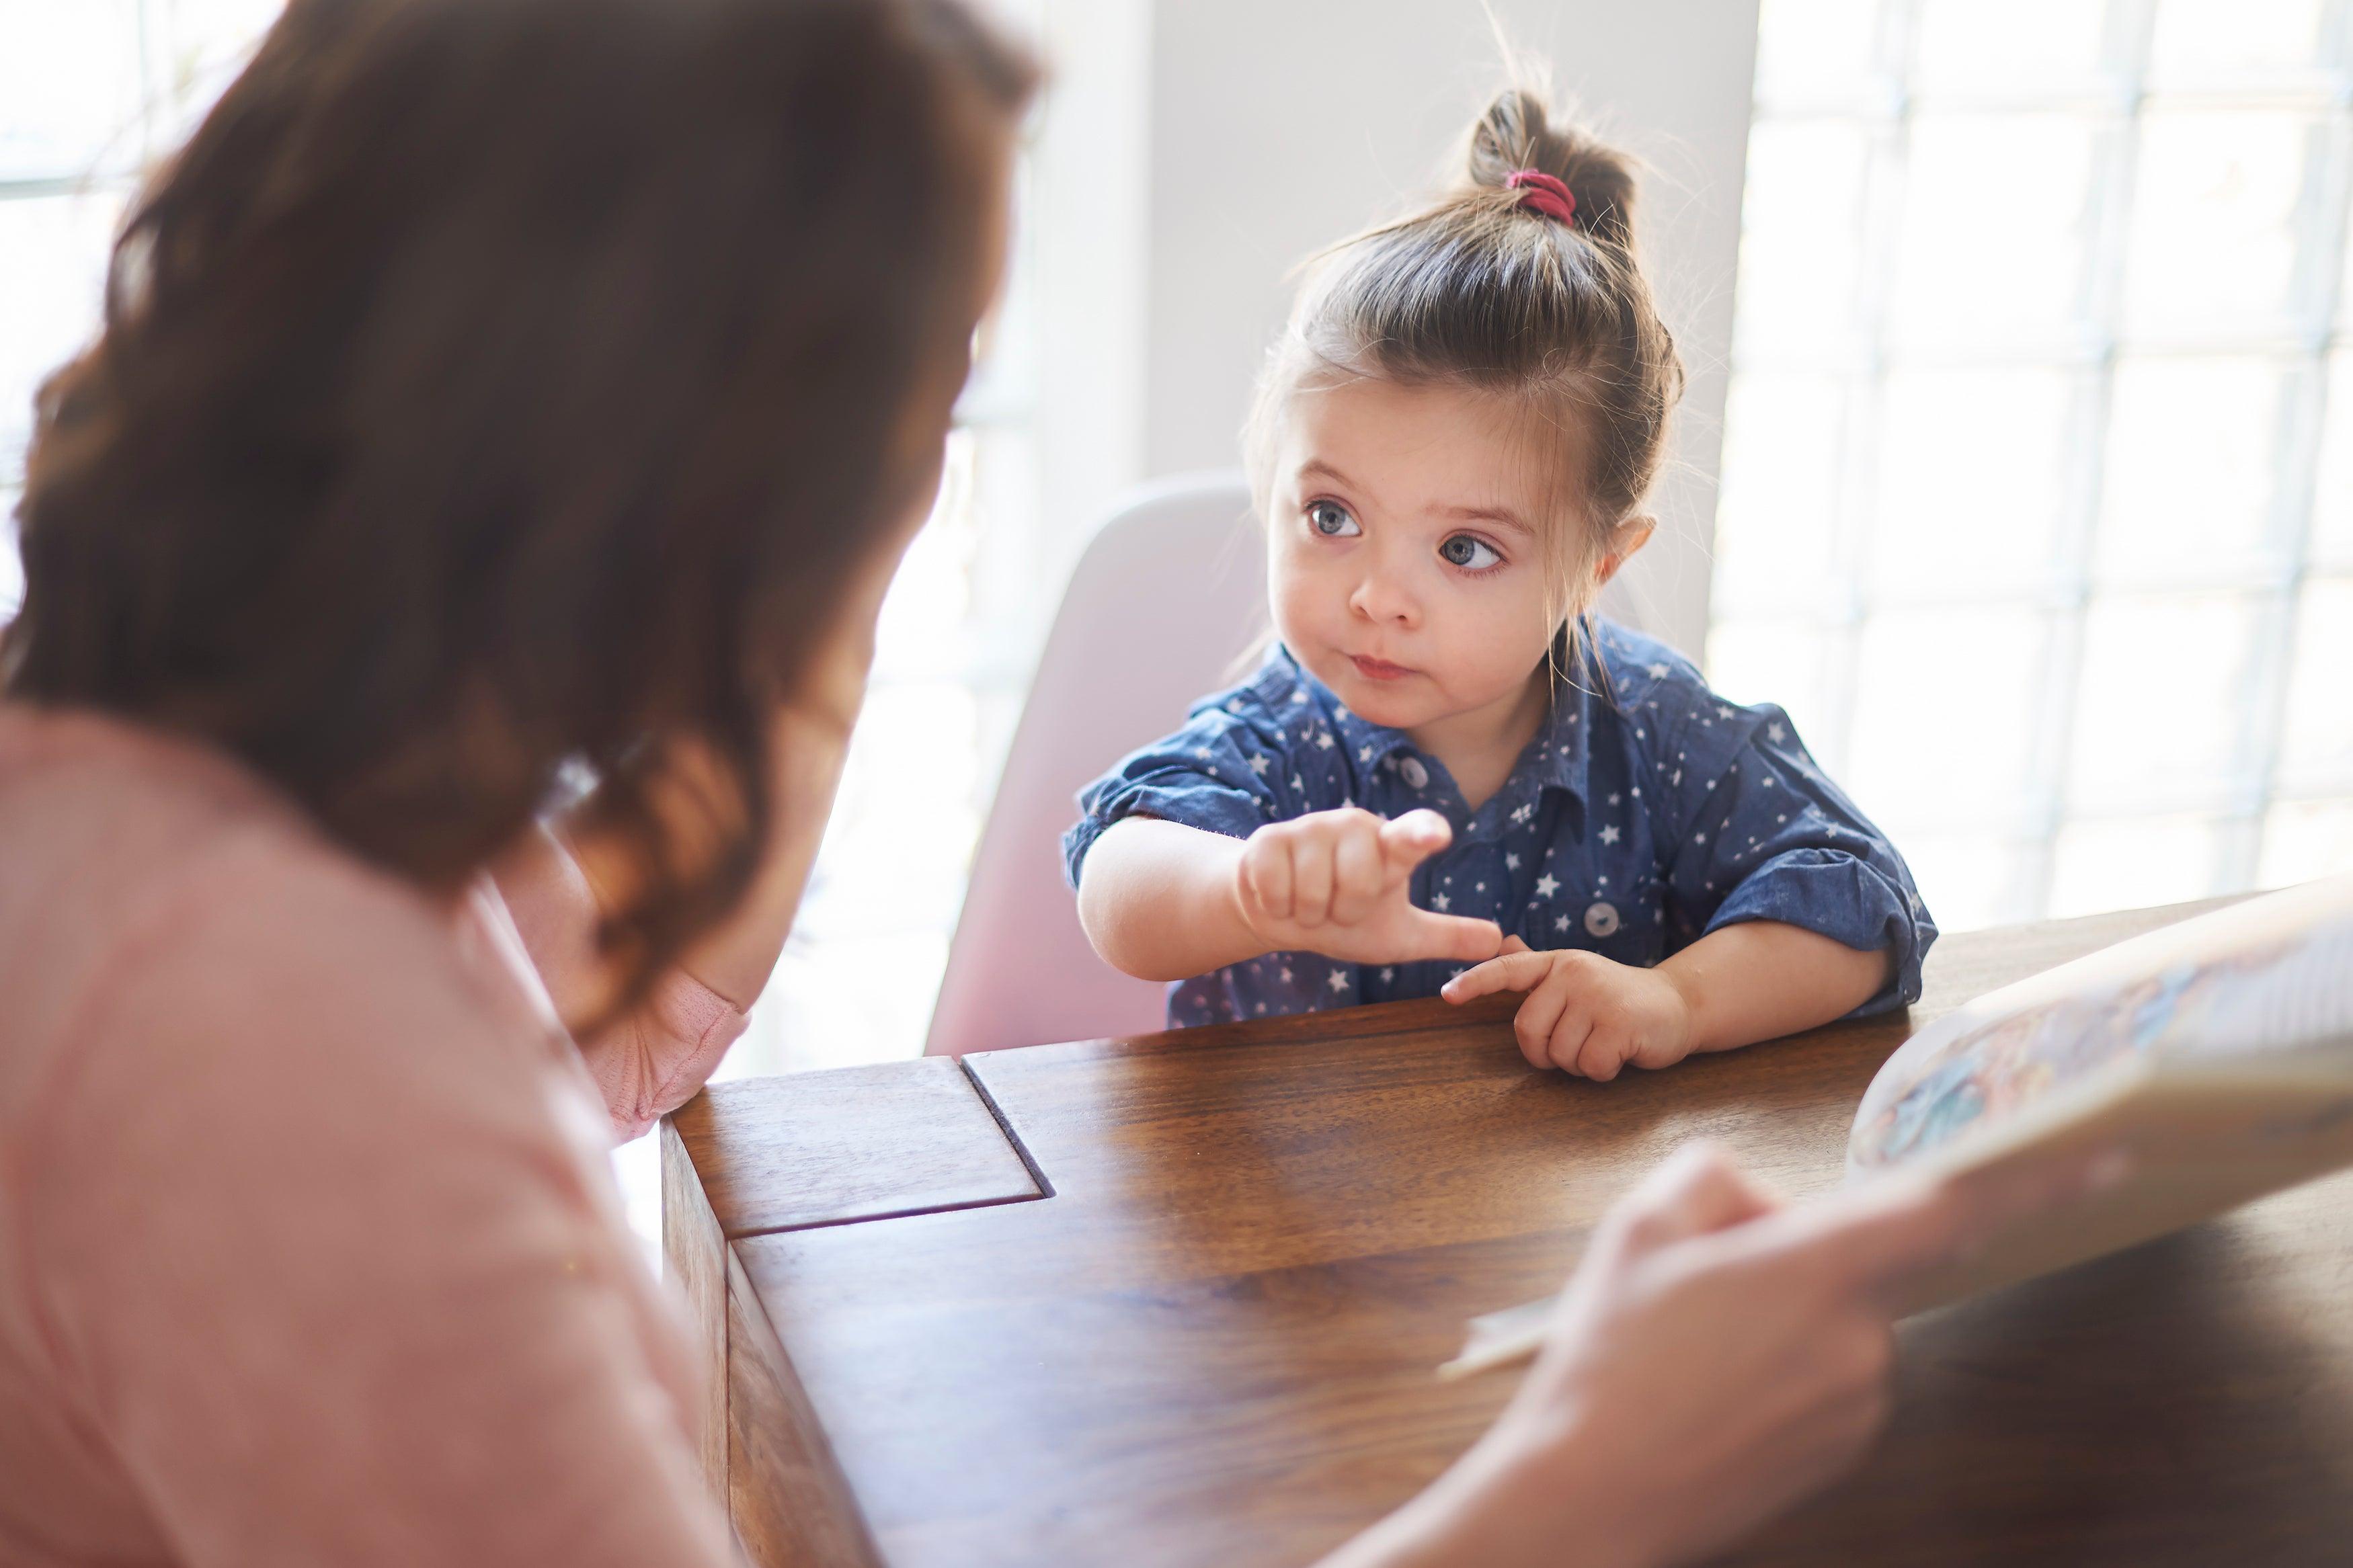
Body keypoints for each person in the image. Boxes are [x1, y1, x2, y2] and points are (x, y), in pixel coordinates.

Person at [0, 5, 2057, 1564]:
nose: (911, 499)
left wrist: (803, 642)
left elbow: (587, 1041)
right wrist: (1580, 1487)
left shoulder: (232, 787)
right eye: (899, 425)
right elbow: (1118, 867)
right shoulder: (238, 1025)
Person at [1066, 88, 1935, 1081]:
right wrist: (1249, 890)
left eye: (1465, 549)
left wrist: (1679, 999)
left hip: (1565, 1222)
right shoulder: (1280, 737)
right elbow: (1116, 882)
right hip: (1274, 1217)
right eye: (1332, 518)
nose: (1377, 597)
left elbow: (1864, 905)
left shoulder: (1658, 733)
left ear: (1597, 567)